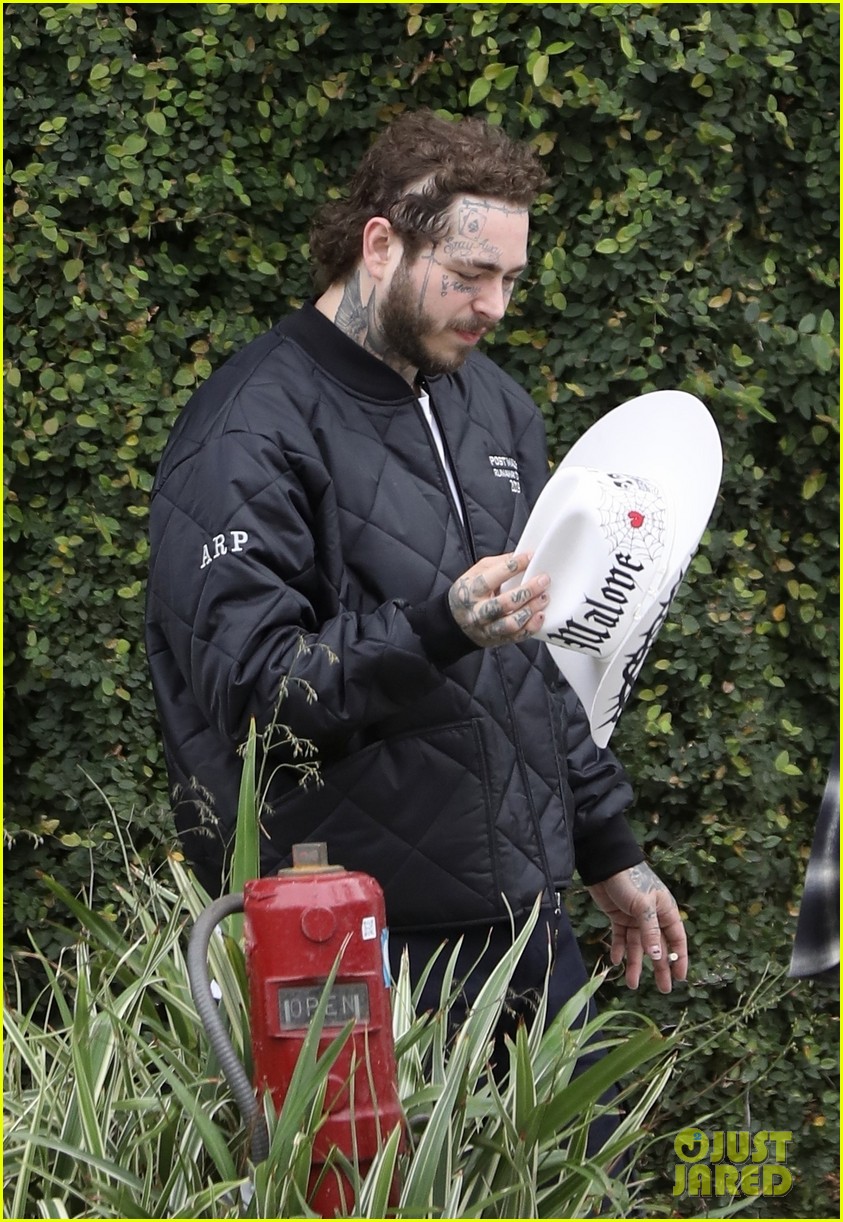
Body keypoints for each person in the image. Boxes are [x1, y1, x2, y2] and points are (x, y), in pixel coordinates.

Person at [146, 110, 687, 1065]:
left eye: (510, 278)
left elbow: (529, 656)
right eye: (470, 274)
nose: (494, 306)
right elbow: (253, 692)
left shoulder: (493, 407)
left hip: (525, 928)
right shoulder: (247, 430)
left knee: (595, 1158)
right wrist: (441, 626)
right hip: (355, 945)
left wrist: (608, 847)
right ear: (380, 245)